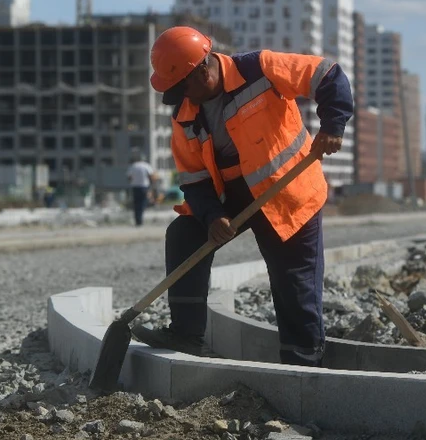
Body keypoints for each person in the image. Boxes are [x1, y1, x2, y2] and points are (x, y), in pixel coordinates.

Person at [131, 26, 354, 366]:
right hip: (232, 194)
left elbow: (328, 75)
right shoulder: (185, 115)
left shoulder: (260, 69)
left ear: (203, 69)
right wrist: (211, 216)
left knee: (291, 278)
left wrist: (333, 126)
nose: (183, 98)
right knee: (184, 233)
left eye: (184, 88)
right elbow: (194, 177)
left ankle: (303, 361)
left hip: (288, 190)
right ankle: (186, 333)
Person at [126, 153, 155, 227]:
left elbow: (129, 177)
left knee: (136, 204)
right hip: (144, 187)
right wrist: (152, 186)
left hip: (135, 187)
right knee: (142, 203)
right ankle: (140, 220)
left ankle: (137, 221)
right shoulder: (146, 165)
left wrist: (133, 181)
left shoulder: (133, 166)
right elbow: (151, 176)